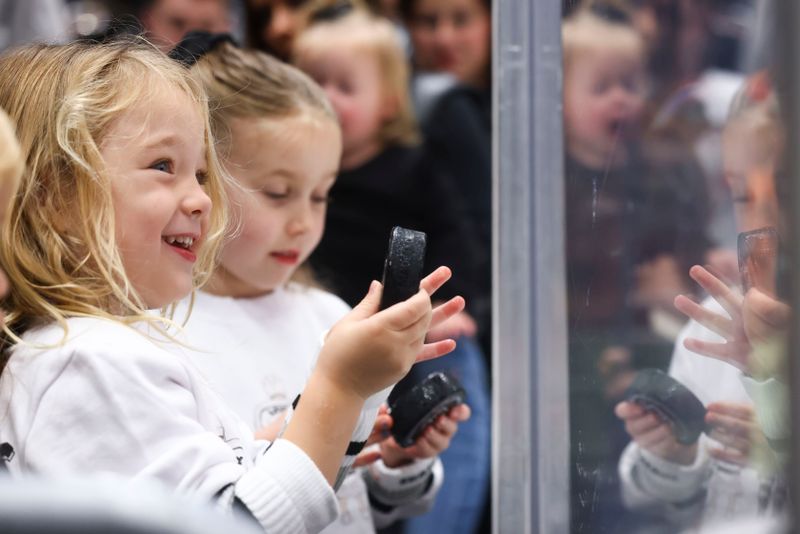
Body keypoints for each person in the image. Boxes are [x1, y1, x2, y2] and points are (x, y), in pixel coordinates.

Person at [0, 39, 462, 534]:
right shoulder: (86, 362)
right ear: (56, 198)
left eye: (201, 173)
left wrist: (364, 410)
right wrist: (342, 386)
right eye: (163, 166)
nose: (202, 198)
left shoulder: (101, 352)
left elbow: (243, 489)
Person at [170, 34, 470, 533]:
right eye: (279, 193)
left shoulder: (330, 315)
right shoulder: (166, 331)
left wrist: (397, 462)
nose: (304, 222)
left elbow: (352, 500)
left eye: (321, 196)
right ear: (202, 181)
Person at [294, 11, 490, 534]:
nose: (327, 97)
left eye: (344, 86)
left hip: (414, 331)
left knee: (454, 379)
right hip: (330, 332)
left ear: (388, 103)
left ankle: (444, 518)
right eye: (314, 83)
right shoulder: (302, 174)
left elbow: (455, 240)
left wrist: (454, 306)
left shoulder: (415, 168)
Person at [561, 6, 714, 531]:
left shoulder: (665, 170)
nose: (621, 98)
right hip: (576, 368)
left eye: (630, 82)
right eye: (601, 86)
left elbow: (689, 249)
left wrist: (689, 278)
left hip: (654, 352)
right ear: (556, 98)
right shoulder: (549, 184)